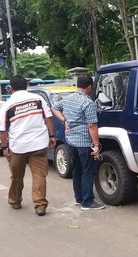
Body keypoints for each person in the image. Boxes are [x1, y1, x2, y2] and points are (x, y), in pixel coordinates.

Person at [0, 75, 56, 216]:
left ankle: (15, 200)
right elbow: (48, 119)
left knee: (16, 176)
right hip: (39, 144)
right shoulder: (38, 99)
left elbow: (3, 130)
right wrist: (52, 136)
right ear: (26, 86)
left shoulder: (7, 105)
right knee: (39, 175)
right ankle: (40, 204)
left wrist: (4, 147)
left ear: (10, 88)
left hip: (18, 147)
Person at [52, 74, 105, 211]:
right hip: (84, 143)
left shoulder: (68, 99)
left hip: (71, 142)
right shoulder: (88, 103)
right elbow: (92, 126)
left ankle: (79, 198)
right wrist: (96, 145)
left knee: (77, 170)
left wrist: (64, 120)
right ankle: (87, 202)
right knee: (87, 171)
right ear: (89, 87)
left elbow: (54, 108)